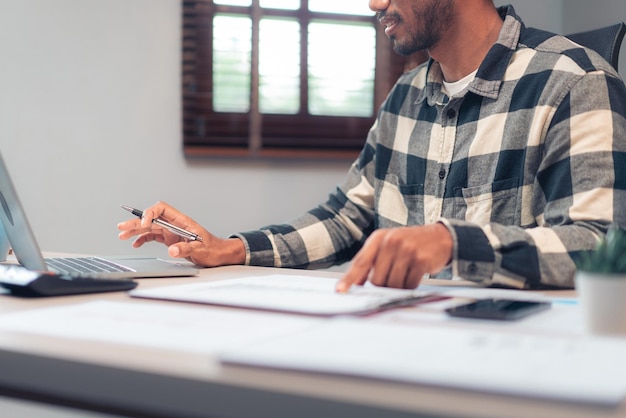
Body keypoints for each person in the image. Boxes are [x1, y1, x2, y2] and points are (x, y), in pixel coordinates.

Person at [118, 1, 626, 291]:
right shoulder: (406, 94)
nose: (373, 3)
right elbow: (348, 218)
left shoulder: (573, 81)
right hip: (406, 347)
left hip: (514, 366)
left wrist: (452, 241)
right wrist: (232, 249)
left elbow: (602, 245)